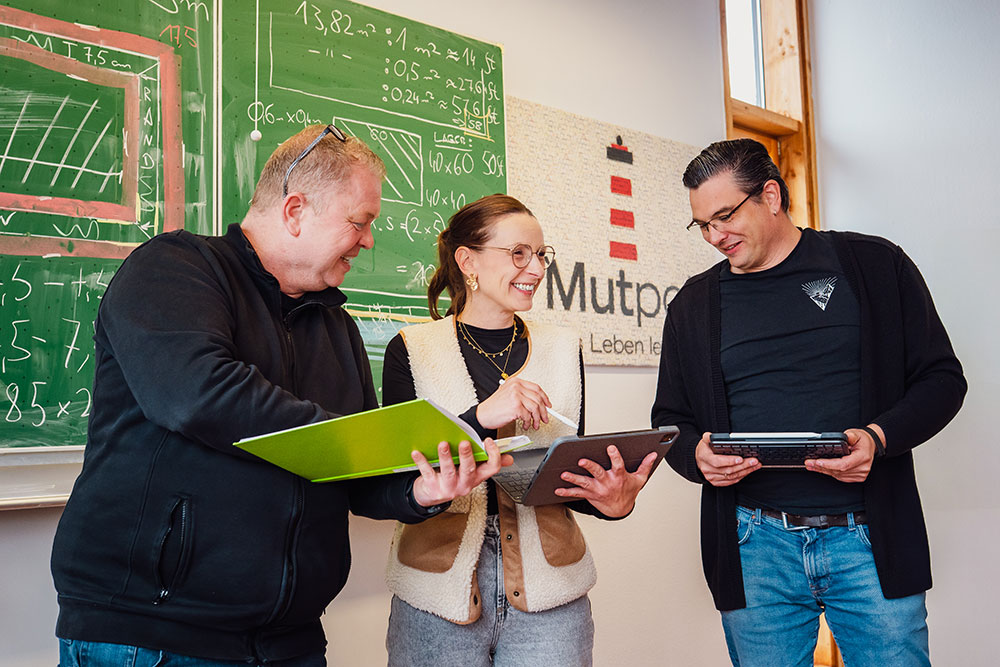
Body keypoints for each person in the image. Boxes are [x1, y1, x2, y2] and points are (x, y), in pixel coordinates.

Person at [50, 124, 506, 666]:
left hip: (290, 639)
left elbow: (357, 472)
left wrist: (419, 493)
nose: (368, 240)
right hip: (154, 635)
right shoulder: (174, 269)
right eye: (359, 222)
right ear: (295, 211)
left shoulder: (336, 326)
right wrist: (347, 438)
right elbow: (199, 395)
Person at [651, 138, 966, 667]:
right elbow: (672, 419)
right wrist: (696, 459)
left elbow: (942, 379)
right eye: (702, 224)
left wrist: (878, 438)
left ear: (770, 195)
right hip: (753, 545)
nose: (714, 236)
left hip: (868, 537)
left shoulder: (874, 266)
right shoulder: (693, 304)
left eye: (724, 216)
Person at [380, 194, 657, 666]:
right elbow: (396, 483)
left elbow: (565, 476)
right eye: (518, 253)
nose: (536, 268)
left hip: (552, 592)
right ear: (467, 261)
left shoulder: (563, 346)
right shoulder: (411, 348)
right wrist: (481, 417)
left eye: (541, 254)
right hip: (436, 592)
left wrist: (611, 501)